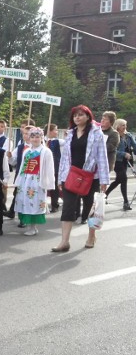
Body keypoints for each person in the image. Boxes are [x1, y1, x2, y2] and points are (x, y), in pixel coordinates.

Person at [51, 105, 109, 252]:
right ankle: (64, 242)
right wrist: (60, 179)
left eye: (81, 115)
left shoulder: (97, 133)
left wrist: (104, 180)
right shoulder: (70, 134)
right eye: (75, 115)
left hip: (91, 176)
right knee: (68, 208)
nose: (77, 117)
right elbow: (64, 158)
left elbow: (102, 157)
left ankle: (91, 236)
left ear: (88, 117)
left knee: (90, 209)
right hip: (71, 176)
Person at [13, 127, 54, 236]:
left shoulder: (45, 151)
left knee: (35, 203)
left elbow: (50, 168)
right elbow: (22, 167)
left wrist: (49, 182)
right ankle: (29, 225)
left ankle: (33, 226)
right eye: (32, 137)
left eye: (37, 137)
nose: (35, 139)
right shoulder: (27, 151)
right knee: (25, 202)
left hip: (37, 181)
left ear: (41, 138)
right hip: (25, 180)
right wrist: (19, 181)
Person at [3, 119, 35, 226]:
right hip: (21, 176)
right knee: (19, 195)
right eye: (25, 133)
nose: (26, 135)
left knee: (28, 197)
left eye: (28, 134)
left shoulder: (37, 147)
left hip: (32, 177)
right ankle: (20, 217)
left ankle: (26, 219)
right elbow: (14, 161)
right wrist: (10, 157)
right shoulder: (20, 146)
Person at [105, 118, 136, 211]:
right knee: (124, 179)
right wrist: (124, 154)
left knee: (119, 180)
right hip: (116, 161)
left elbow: (135, 147)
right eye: (122, 125)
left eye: (125, 125)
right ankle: (126, 202)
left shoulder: (128, 135)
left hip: (125, 162)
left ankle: (105, 194)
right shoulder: (114, 135)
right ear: (117, 126)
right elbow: (112, 150)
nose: (124, 127)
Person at [45, 124, 64, 212]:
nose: (57, 132)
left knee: (54, 187)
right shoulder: (42, 140)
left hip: (55, 166)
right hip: (44, 167)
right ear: (49, 131)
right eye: (55, 130)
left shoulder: (58, 141)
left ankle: (54, 205)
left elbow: (68, 142)